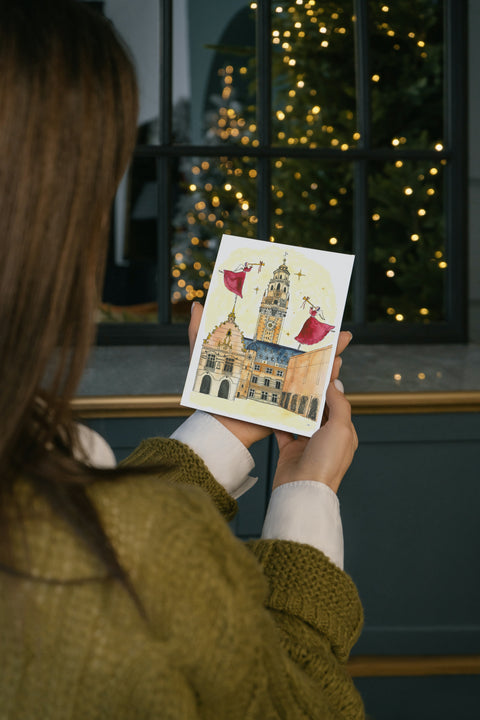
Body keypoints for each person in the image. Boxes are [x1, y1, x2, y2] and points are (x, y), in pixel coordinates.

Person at [0, 1, 364, 718]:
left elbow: (112, 534)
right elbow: (296, 705)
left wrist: (221, 430)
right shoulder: (104, 551)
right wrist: (306, 496)